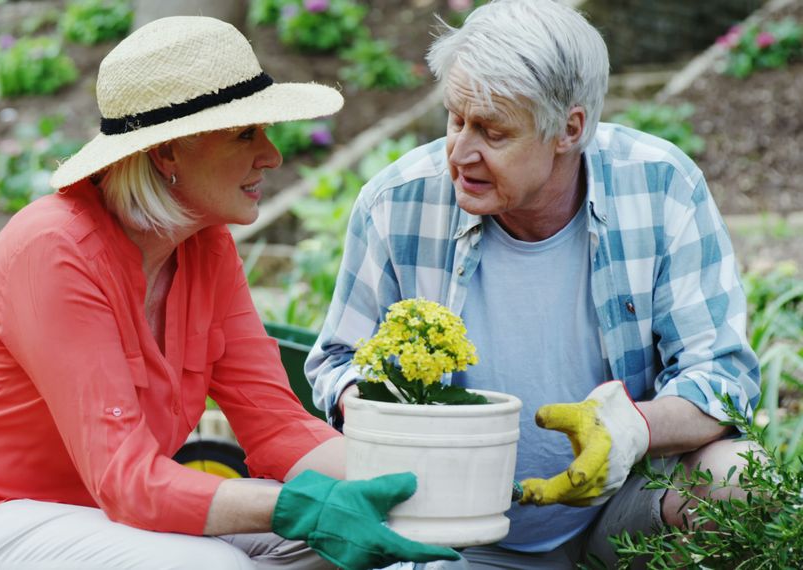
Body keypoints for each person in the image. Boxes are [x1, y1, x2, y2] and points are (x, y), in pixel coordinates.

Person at [0, 16, 460, 570]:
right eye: (245, 135)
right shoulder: (55, 250)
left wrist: (426, 489)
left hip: (77, 521)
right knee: (212, 565)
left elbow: (276, 430)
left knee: (341, 541)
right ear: (166, 152)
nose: (271, 156)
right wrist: (299, 507)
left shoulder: (207, 247)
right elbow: (128, 482)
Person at [306, 0, 762, 567]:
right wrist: (385, 407)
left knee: (742, 481)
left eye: (493, 132)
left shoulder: (661, 187)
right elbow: (336, 361)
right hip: (455, 529)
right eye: (455, 119)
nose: (460, 153)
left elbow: (721, 373)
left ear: (569, 129)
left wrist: (630, 430)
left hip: (622, 518)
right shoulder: (397, 203)